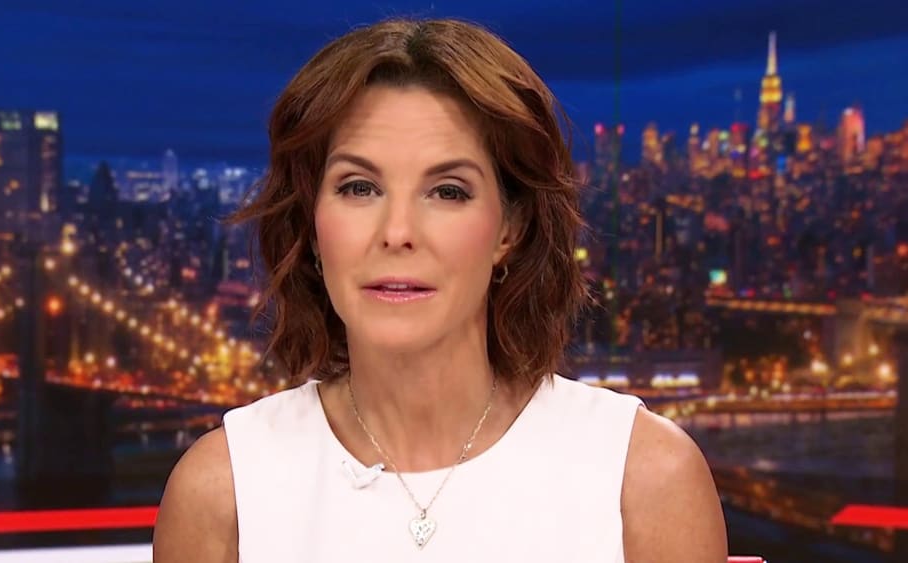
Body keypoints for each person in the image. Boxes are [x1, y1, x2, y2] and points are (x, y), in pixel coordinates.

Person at [153, 17, 727, 562]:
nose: (397, 232)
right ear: (312, 222)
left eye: (448, 191)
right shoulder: (223, 492)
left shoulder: (642, 478)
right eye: (359, 187)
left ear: (510, 228)